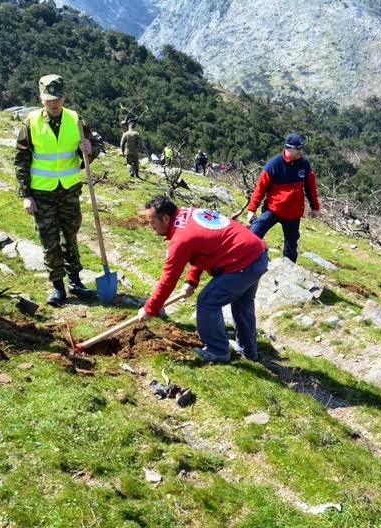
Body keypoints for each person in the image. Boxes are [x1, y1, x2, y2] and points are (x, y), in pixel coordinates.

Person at [137, 195, 268, 363]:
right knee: (242, 305)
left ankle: (218, 350)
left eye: (152, 222)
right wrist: (191, 280)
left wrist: (149, 308)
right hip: (257, 254)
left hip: (242, 262)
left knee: (208, 302)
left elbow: (168, 279)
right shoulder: (188, 213)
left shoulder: (180, 239)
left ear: (165, 218)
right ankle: (249, 352)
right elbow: (204, 247)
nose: (150, 226)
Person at [15, 74, 100, 306]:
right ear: (41, 98)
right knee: (49, 239)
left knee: (70, 237)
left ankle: (75, 281)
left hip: (70, 190)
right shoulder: (30, 123)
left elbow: (94, 147)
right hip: (42, 192)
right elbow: (21, 160)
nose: (53, 103)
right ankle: (57, 287)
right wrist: (25, 195)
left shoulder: (76, 120)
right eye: (48, 99)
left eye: (57, 98)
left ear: (64, 97)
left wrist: (89, 149)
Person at [246, 133, 320, 262]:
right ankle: (244, 261)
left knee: (291, 247)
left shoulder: (304, 165)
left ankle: (289, 270)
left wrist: (315, 207)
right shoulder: (274, 165)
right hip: (273, 209)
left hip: (293, 214)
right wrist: (251, 210)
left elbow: (311, 188)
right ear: (288, 148)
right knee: (254, 233)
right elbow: (260, 188)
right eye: (298, 149)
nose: (301, 152)